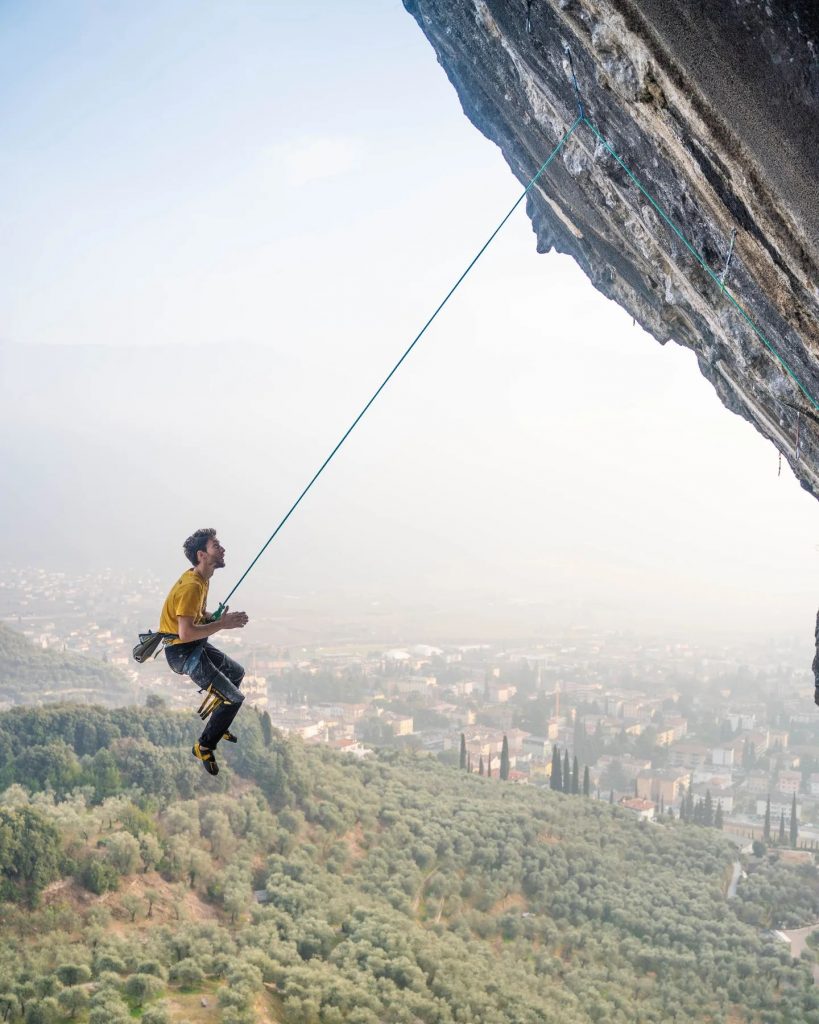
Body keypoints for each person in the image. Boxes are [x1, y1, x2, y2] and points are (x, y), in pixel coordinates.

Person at [159, 528, 249, 775]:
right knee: (234, 699)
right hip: (183, 653)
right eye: (215, 545)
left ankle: (219, 724)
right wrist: (222, 624)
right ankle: (205, 745)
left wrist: (214, 617)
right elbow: (186, 632)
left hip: (192, 647)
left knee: (236, 673)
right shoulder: (192, 586)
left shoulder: (201, 578)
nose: (222, 549)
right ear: (202, 555)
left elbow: (195, 616)